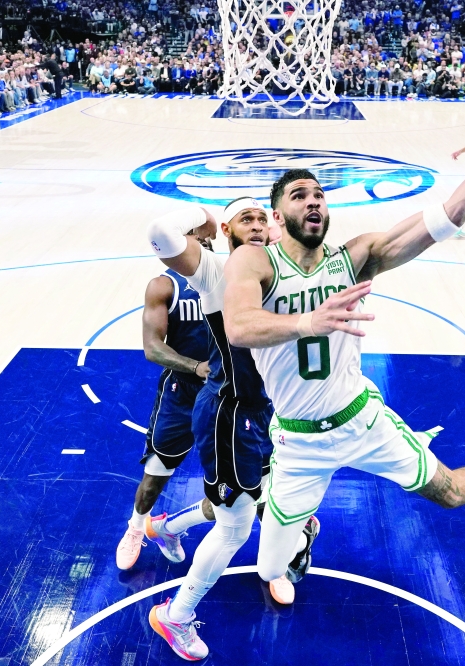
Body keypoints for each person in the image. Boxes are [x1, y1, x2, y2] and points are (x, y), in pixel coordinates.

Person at [219, 95, 465, 601]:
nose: (314, 201)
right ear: (277, 215)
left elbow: (448, 215)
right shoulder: (255, 262)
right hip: (297, 443)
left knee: (449, 492)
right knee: (268, 566)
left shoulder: (357, 256)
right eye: (300, 195)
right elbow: (239, 326)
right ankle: (303, 534)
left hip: (361, 422)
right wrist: (307, 321)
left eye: (319, 194)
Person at [144, 198, 318, 660]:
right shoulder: (217, 271)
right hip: (229, 416)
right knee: (236, 528)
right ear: (226, 230)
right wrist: (200, 213)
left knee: (244, 500)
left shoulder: (276, 273)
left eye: (264, 217)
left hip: (261, 414)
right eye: (247, 218)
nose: (258, 224)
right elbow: (162, 231)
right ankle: (175, 616)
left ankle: (166, 527)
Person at [114, 236, 215, 570]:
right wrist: (195, 366)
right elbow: (152, 348)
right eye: (190, 242)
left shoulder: (233, 278)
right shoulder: (164, 285)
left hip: (226, 396)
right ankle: (135, 529)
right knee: (155, 477)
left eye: (203, 240)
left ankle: (282, 556)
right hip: (181, 395)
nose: (198, 247)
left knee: (246, 485)